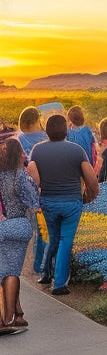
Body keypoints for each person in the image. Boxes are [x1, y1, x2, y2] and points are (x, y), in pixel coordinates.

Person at [27, 114, 100, 294]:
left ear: (47, 130)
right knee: (65, 240)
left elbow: (32, 179)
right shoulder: (77, 150)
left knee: (53, 238)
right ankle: (59, 284)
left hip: (49, 202)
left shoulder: (37, 150)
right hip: (71, 203)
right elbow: (92, 181)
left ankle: (46, 273)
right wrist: (89, 196)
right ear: (66, 130)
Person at [0, 136, 39, 332]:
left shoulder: (1, 176)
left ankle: (17, 314)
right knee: (12, 272)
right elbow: (33, 203)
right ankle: (9, 319)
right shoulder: (20, 176)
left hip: (2, 226)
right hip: (18, 225)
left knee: (3, 271)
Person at [17, 106, 49, 273]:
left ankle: (36, 264)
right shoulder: (46, 137)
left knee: (35, 228)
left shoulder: (19, 139)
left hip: (26, 188)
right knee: (46, 229)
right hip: (48, 185)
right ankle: (42, 264)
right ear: (37, 121)